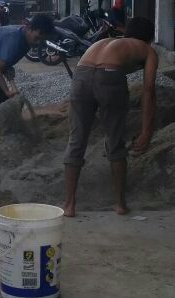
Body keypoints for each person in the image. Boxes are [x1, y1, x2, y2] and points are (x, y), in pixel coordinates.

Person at [61, 16, 158, 217]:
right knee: (114, 140)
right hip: (110, 75)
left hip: (81, 74)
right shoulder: (147, 50)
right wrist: (146, 132)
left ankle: (68, 205)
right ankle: (119, 204)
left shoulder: (105, 41)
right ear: (149, 37)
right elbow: (149, 90)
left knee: (76, 140)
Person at [0, 14, 54, 142]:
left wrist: (9, 75)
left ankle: (3, 136)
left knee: (4, 102)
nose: (39, 42)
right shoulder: (13, 39)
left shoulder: (28, 39)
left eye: (42, 40)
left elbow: (5, 63)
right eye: (37, 37)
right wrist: (8, 91)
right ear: (29, 28)